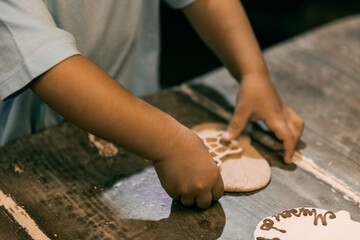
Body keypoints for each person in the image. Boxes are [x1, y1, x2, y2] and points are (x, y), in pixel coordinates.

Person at [0, 0, 304, 208]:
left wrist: (253, 72)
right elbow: (48, 65)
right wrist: (170, 143)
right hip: (26, 157)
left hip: (138, 125)